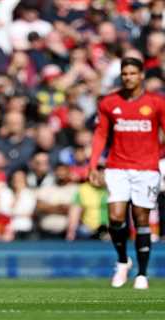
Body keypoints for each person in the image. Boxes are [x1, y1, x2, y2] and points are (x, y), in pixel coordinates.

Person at [89, 57, 165, 290]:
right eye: (125, 73)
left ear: (141, 75)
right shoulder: (110, 102)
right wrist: (93, 165)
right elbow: (101, 134)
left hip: (146, 168)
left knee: (141, 218)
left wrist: (158, 156)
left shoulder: (156, 103)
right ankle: (123, 260)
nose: (128, 77)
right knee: (115, 216)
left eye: (133, 73)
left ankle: (142, 274)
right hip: (117, 166)